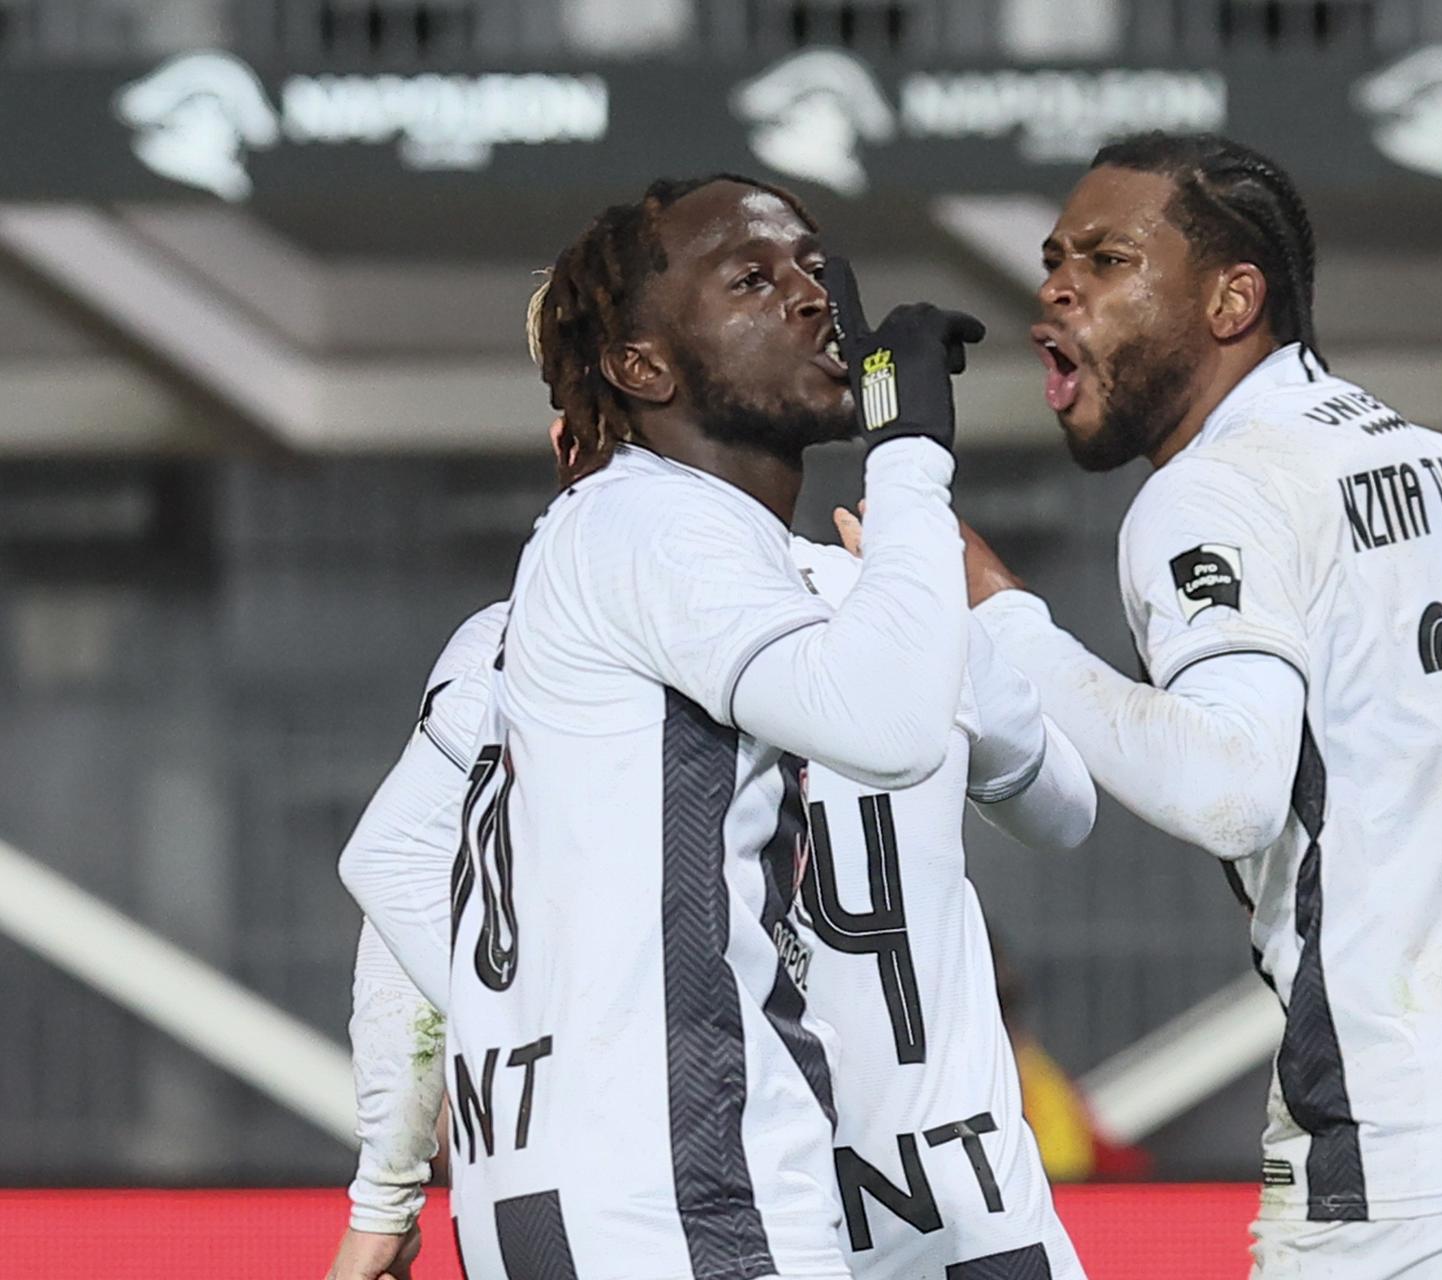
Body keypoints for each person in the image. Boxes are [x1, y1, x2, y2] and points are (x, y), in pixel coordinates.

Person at [964, 132, 1442, 1278]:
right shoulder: (1440, 461)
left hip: (1420, 1138)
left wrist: (1002, 620)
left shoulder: (1212, 491)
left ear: (1235, 298)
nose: (1056, 285)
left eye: (1106, 257)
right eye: (1054, 257)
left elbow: (1225, 790)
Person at [359, 172, 981, 1280]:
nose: (811, 297)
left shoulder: (595, 547)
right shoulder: (661, 524)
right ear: (640, 368)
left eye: (812, 266)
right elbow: (892, 721)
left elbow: (393, 855)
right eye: (752, 278)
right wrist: (911, 451)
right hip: (684, 1197)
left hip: (572, 1184)